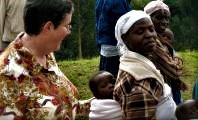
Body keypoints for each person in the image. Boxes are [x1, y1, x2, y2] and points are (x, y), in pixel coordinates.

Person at [0, 0, 90, 119]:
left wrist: (103, 103)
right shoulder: (6, 76)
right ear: (48, 27)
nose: (69, 32)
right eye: (67, 26)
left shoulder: (46, 53)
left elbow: (64, 107)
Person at [114, 10, 176, 119]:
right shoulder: (140, 81)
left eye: (151, 29)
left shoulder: (134, 63)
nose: (149, 35)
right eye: (140, 31)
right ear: (125, 39)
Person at [144, 0, 187, 105]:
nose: (164, 22)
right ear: (147, 18)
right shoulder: (150, 43)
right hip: (160, 89)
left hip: (171, 85)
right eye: (159, 18)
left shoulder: (163, 39)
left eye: (166, 18)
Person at [96, 0, 132, 77]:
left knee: (105, 78)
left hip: (105, 44)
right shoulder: (118, 1)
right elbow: (123, 25)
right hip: (115, 46)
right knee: (114, 79)